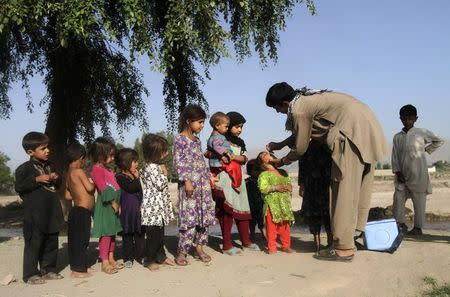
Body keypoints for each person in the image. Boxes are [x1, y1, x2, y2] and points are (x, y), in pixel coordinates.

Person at [265, 82, 388, 262]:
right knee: (359, 189)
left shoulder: (299, 108)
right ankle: (352, 236)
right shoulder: (305, 100)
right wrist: (281, 144)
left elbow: (301, 147)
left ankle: (343, 249)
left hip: (349, 133)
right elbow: (304, 131)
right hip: (365, 128)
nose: (278, 113)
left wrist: (282, 161)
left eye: (277, 108)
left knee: (343, 192)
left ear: (284, 103)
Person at [14, 132, 64, 284]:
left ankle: (48, 269)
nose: (47, 151)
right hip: (34, 214)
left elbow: (58, 187)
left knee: (51, 241)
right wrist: (37, 179)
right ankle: (30, 274)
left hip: (51, 212)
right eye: (43, 148)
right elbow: (19, 187)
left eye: (47, 147)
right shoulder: (24, 169)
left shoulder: (49, 166)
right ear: (30, 152)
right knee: (33, 243)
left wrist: (56, 178)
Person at [209, 111, 259, 255]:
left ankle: (246, 241)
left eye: (242, 127)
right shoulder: (218, 139)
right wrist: (229, 157)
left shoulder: (240, 142)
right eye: (237, 126)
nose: (240, 130)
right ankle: (227, 245)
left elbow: (244, 159)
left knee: (243, 208)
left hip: (238, 178)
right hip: (224, 178)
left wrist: (233, 157)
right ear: (228, 126)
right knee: (227, 211)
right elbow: (210, 155)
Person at [172, 104, 217, 265]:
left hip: (203, 185)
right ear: (188, 121)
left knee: (203, 218)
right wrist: (187, 181)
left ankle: (199, 248)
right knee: (189, 218)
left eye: (203, 122)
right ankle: (182, 251)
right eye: (200, 122)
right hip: (189, 185)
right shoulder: (179, 139)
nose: (202, 125)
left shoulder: (197, 141)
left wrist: (209, 177)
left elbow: (200, 162)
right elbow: (179, 162)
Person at [392, 104, 444, 236]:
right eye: (404, 118)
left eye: (410, 118)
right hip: (401, 175)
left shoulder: (421, 133)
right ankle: (400, 225)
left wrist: (426, 150)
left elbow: (438, 141)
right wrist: (398, 172)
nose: (407, 121)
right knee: (398, 200)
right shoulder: (397, 137)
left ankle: (417, 228)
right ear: (400, 118)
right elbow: (395, 156)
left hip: (418, 175)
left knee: (419, 202)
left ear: (415, 119)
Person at [140, 134, 176, 271]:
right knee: (153, 235)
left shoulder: (148, 166)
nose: (166, 152)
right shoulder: (153, 168)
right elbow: (160, 184)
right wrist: (165, 173)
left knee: (160, 233)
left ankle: (161, 256)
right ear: (155, 153)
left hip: (157, 206)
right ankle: (149, 260)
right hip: (153, 207)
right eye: (164, 150)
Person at [90, 136, 123, 274]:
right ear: (100, 154)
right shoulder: (97, 169)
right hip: (106, 206)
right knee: (106, 234)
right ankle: (104, 261)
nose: (112, 158)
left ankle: (111, 257)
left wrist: (118, 203)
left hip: (114, 206)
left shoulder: (108, 170)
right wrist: (113, 202)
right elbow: (103, 189)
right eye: (110, 156)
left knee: (113, 232)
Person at [64, 142, 96, 278]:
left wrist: (78, 194)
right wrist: (93, 183)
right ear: (81, 158)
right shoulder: (78, 171)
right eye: (84, 160)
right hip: (81, 212)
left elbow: (67, 195)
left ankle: (82, 265)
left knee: (81, 239)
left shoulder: (68, 174)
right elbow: (89, 188)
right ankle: (77, 270)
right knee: (80, 241)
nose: (84, 162)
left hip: (78, 211)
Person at [256, 152, 295, 254]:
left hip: (284, 203)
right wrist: (275, 187)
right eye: (264, 155)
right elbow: (263, 189)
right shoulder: (263, 175)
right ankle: (272, 247)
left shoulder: (283, 172)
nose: (268, 155)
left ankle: (286, 246)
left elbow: (289, 184)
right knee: (271, 225)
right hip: (271, 203)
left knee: (285, 224)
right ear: (262, 162)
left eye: (268, 153)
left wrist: (288, 187)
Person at [298, 140, 333, 253]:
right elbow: (302, 166)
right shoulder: (306, 147)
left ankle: (329, 243)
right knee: (314, 215)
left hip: (325, 185)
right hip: (312, 185)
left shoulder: (328, 145)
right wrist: (302, 185)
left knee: (328, 215)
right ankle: (318, 244)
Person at [115, 148, 145, 268]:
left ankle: (141, 256)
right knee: (127, 235)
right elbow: (131, 188)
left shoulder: (135, 175)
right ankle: (128, 257)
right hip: (127, 211)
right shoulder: (120, 177)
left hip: (138, 210)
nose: (137, 164)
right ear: (126, 162)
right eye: (135, 161)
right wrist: (137, 179)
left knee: (140, 234)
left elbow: (140, 191)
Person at [207, 112, 242, 191]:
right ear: (217, 126)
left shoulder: (212, 136)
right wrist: (225, 152)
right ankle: (236, 184)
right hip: (221, 162)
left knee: (214, 174)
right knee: (235, 166)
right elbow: (216, 146)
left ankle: (212, 183)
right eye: (226, 127)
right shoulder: (218, 137)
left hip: (214, 162)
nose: (227, 129)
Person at [245, 159, 266, 241]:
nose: (258, 172)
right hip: (250, 205)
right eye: (255, 170)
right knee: (252, 222)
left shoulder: (262, 181)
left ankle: (264, 234)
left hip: (261, 204)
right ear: (250, 171)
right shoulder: (246, 182)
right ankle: (252, 234)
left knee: (262, 220)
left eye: (259, 170)